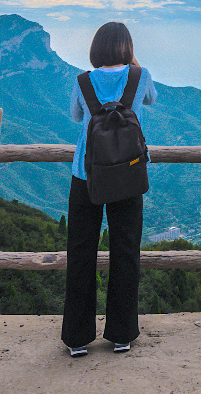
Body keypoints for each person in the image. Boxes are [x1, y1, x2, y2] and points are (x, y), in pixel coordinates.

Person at [62, 21, 158, 357]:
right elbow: (151, 100)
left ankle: (76, 338)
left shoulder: (82, 81)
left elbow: (76, 116)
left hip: (86, 175)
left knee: (81, 250)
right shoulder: (140, 76)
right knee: (126, 250)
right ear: (127, 47)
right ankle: (121, 334)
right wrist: (133, 67)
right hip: (129, 176)